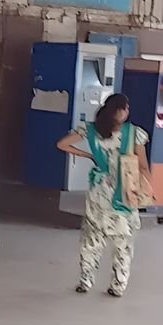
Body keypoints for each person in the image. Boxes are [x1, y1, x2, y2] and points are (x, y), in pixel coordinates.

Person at [55, 93, 146, 298]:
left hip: (99, 193)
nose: (127, 111)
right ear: (119, 110)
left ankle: (85, 281)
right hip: (123, 193)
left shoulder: (90, 130)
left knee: (92, 239)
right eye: (125, 107)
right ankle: (118, 285)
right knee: (123, 243)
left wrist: (88, 155)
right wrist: (145, 188)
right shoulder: (134, 133)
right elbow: (143, 166)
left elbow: (61, 144)